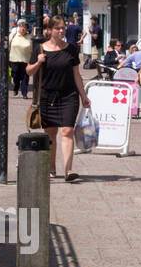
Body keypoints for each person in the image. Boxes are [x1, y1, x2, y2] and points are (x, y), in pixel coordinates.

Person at [24, 16, 90, 182]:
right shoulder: (40, 49)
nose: (61, 31)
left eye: (63, 28)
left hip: (69, 95)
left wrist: (83, 95)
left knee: (67, 131)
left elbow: (76, 75)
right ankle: (51, 167)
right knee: (51, 134)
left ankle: (68, 170)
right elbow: (29, 71)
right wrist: (38, 62)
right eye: (58, 28)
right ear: (50, 30)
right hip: (47, 97)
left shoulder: (71, 50)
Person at [8, 20, 32, 97]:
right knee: (15, 76)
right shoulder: (13, 35)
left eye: (24, 27)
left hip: (26, 60)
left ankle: (24, 93)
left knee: (25, 77)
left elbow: (32, 49)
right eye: (21, 27)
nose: (23, 29)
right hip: (14, 59)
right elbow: (7, 45)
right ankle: (16, 88)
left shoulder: (29, 37)